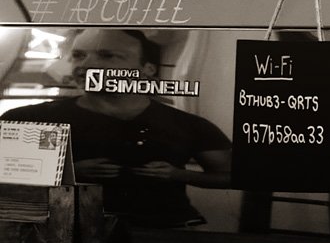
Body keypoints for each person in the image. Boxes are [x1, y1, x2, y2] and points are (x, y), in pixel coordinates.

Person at [1, 27, 232, 228]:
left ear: (148, 69)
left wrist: (178, 174)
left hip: (166, 232)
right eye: (78, 55)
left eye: (108, 56)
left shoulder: (185, 124)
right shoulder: (31, 117)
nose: (86, 65)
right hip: (64, 234)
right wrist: (69, 172)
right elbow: (6, 173)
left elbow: (231, 175)